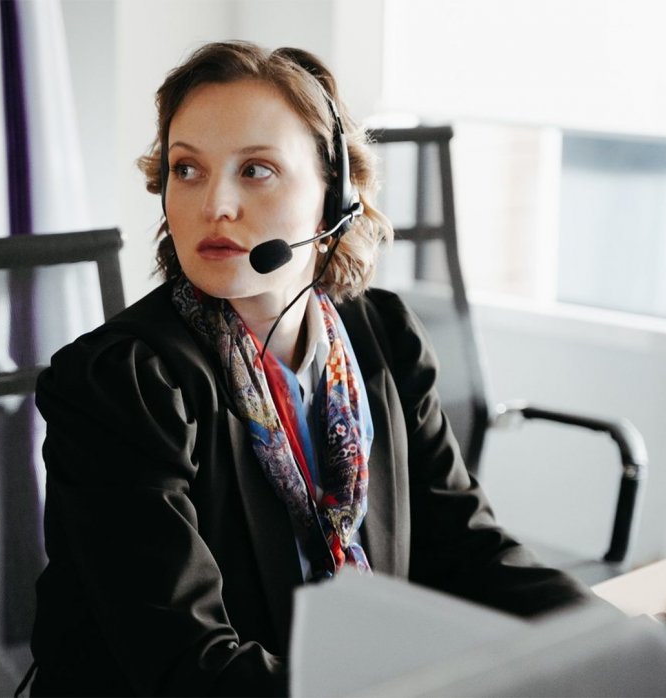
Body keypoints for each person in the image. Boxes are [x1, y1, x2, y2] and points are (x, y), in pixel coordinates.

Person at [29, 41, 596, 696]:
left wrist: (624, 642)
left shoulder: (384, 337)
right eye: (188, 170)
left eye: (256, 170)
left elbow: (468, 548)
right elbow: (190, 667)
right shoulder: (123, 383)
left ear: (335, 195)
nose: (215, 204)